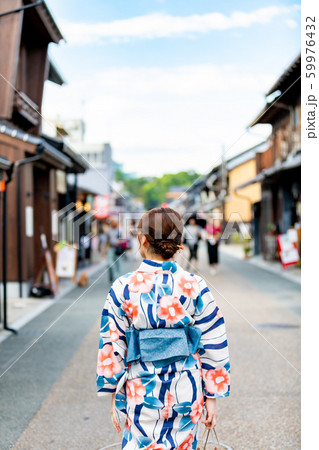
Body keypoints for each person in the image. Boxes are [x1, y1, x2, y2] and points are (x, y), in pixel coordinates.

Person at [97, 207, 230, 449]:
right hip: (186, 389)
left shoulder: (123, 287)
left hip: (141, 389)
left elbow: (112, 342)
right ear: (179, 243)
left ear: (142, 240)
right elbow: (213, 339)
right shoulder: (194, 285)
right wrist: (211, 396)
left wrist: (114, 393)